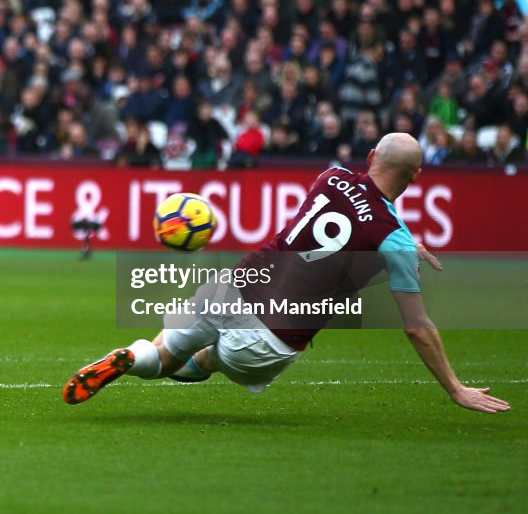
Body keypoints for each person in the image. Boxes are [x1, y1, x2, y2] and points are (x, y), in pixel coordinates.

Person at [63, 133, 511, 414]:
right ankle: (178, 360)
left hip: (237, 285)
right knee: (205, 363)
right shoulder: (392, 237)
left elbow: (347, 218)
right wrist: (454, 388)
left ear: (372, 154)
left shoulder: (330, 177)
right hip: (272, 336)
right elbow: (416, 326)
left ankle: (131, 356)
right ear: (416, 176)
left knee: (166, 352)